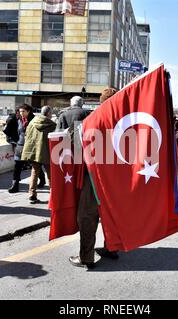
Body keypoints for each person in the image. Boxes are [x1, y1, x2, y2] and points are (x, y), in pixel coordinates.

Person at [69, 87, 119, 269]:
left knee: (87, 216)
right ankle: (112, 247)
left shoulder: (92, 120)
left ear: (101, 101)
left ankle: (86, 257)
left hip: (94, 178)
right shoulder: (125, 121)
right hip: (117, 179)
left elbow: (76, 148)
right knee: (112, 215)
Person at [3, 105, 45, 192]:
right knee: (17, 166)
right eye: (20, 111)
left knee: (35, 164)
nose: (21, 113)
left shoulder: (35, 120)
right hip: (20, 146)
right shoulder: (19, 120)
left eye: (23, 111)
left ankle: (42, 179)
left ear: (28, 111)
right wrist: (16, 142)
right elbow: (18, 132)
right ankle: (15, 185)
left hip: (31, 146)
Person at [21, 106, 56, 204]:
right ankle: (53, 196)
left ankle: (32, 195)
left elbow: (27, 136)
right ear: (48, 113)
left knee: (34, 173)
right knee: (50, 175)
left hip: (34, 152)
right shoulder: (51, 124)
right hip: (46, 153)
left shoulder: (32, 122)